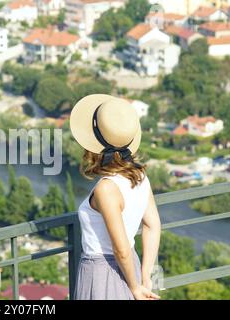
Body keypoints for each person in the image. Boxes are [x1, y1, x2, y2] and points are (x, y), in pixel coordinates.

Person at [69, 94, 161, 300]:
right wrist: (144, 276)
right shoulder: (139, 177)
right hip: (132, 269)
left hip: (102, 274)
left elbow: (121, 249)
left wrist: (135, 287)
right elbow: (152, 225)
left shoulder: (106, 189)